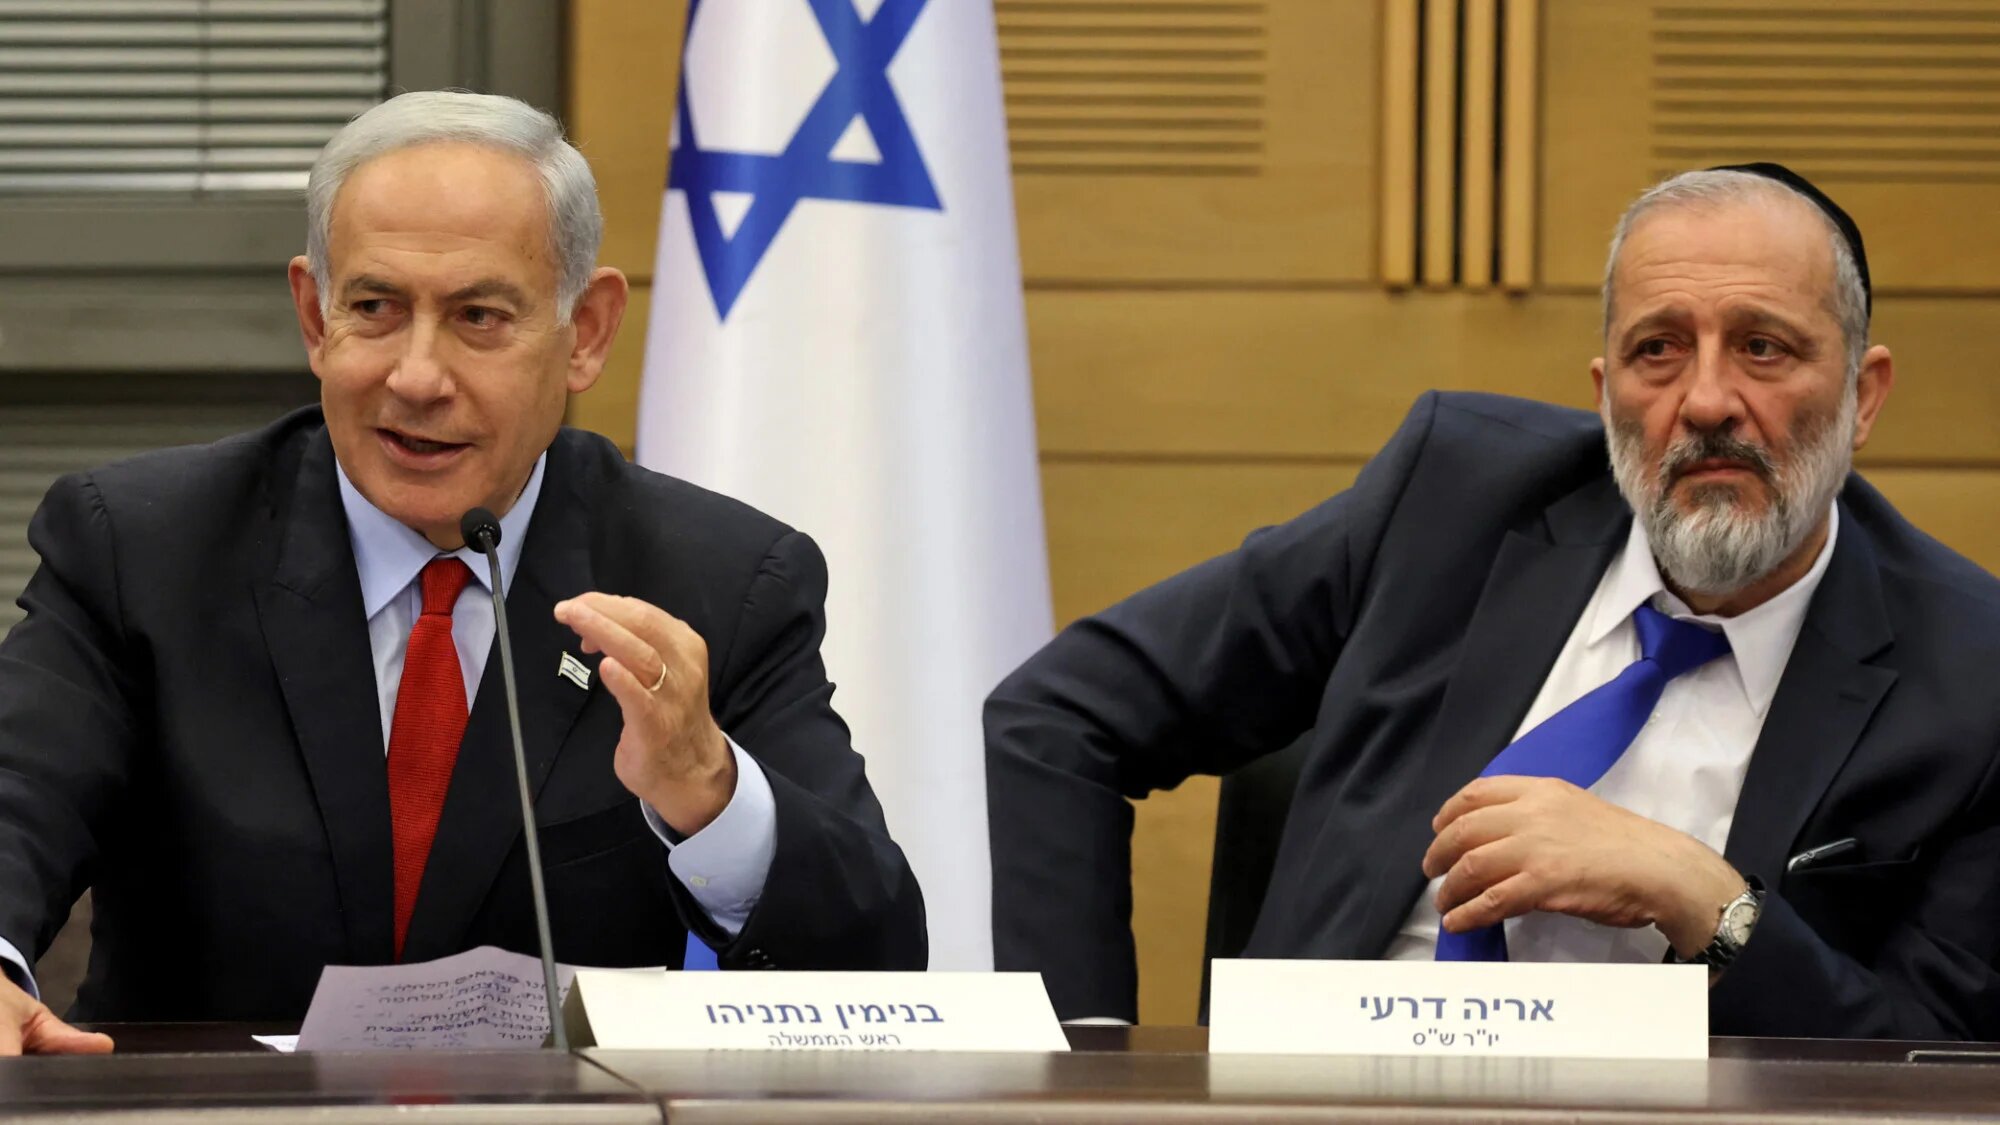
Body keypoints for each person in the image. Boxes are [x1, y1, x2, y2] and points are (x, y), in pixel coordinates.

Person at [0, 91, 925, 1055]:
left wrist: (709, 791)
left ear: (587, 331)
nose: (416, 376)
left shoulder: (720, 579)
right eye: (375, 309)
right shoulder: (143, 547)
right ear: (315, 317)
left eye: (479, 316)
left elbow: (876, 960)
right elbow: (20, 783)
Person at [987, 164, 2000, 1039]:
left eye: (1762, 348)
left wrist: (1702, 896)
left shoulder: (1971, 678)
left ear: (1862, 396)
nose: (1703, 401)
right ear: (1604, 393)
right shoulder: (1450, 503)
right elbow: (1064, 713)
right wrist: (1080, 1071)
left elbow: (1937, 1063)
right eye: (1656, 350)